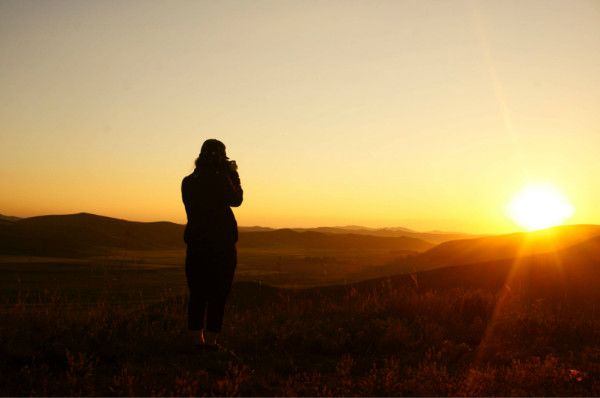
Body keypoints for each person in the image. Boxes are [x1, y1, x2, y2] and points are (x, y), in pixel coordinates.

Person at [181, 139, 243, 348]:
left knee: (197, 292)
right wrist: (233, 174)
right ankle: (212, 340)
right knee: (219, 292)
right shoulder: (221, 179)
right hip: (221, 245)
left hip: (196, 244)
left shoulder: (188, 182)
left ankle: (195, 338)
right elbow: (237, 200)